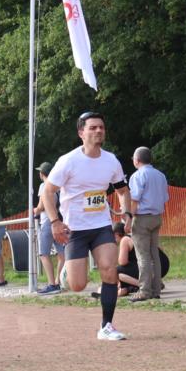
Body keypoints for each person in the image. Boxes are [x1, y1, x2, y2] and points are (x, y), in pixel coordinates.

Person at [42, 111, 132, 341]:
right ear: (81, 133)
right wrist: (55, 222)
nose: (98, 131)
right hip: (75, 230)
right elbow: (48, 191)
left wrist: (127, 213)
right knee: (77, 285)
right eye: (93, 128)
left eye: (101, 127)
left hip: (101, 225)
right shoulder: (69, 161)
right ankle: (68, 272)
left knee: (109, 270)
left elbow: (122, 190)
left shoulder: (111, 160)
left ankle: (106, 326)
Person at [127, 146, 169, 302]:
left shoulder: (138, 176)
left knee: (142, 256)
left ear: (136, 160)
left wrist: (129, 217)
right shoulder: (160, 175)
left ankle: (144, 290)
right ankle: (156, 289)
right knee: (154, 255)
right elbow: (165, 198)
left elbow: (135, 199)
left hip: (142, 218)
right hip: (157, 216)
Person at [93, 223, 170, 299]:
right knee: (123, 275)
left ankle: (147, 285)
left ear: (116, 234)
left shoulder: (125, 239)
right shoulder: (136, 235)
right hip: (163, 265)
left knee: (117, 271)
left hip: (151, 267)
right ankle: (153, 283)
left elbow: (122, 262)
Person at [33, 162, 65, 294]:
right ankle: (58, 280)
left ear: (42, 173)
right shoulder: (57, 187)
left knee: (43, 254)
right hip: (57, 221)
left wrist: (34, 210)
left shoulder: (43, 186)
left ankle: (52, 284)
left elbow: (41, 207)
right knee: (61, 254)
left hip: (47, 221)